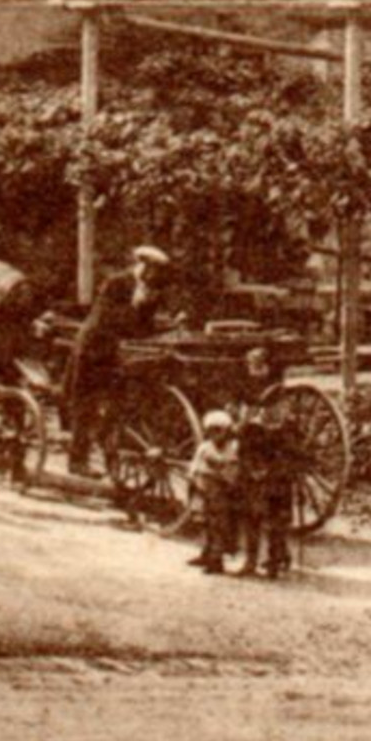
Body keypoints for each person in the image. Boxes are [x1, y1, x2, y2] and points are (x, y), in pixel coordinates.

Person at [65, 245, 171, 479]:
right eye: (152, 271)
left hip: (116, 352)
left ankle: (109, 452)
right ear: (141, 265)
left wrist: (168, 325)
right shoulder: (116, 283)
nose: (154, 277)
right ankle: (77, 460)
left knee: (117, 405)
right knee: (86, 406)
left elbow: (144, 328)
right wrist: (136, 306)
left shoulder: (151, 291)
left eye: (158, 273)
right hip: (93, 347)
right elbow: (107, 318)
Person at [188, 410, 239, 575]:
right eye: (212, 431)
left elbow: (231, 472)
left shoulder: (231, 449)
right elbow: (194, 467)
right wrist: (195, 481)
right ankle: (206, 553)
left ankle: (216, 561)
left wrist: (219, 469)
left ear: (226, 432)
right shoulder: (204, 447)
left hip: (220, 491)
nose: (216, 435)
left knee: (218, 525)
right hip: (204, 489)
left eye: (219, 431)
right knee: (206, 522)